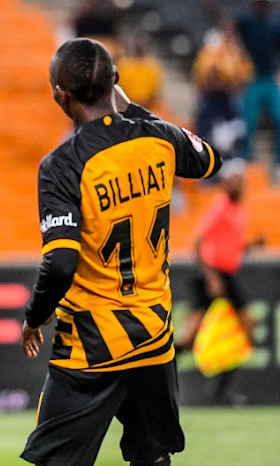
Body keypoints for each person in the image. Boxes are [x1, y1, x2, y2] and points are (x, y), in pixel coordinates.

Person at [20, 38, 222, 466]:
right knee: (152, 457)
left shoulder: (63, 164)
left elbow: (60, 263)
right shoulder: (159, 137)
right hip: (154, 333)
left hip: (92, 342)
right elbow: (210, 161)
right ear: (116, 81)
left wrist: (34, 317)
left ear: (60, 93)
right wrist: (135, 110)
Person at [175, 158, 262, 405]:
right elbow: (198, 243)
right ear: (225, 183)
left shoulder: (238, 209)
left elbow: (229, 244)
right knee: (190, 337)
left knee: (246, 331)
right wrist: (212, 277)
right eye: (235, 180)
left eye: (241, 180)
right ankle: (160, 378)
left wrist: (250, 245)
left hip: (227, 275)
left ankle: (221, 391)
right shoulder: (220, 206)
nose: (239, 184)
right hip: (212, 275)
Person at [192, 18, 253, 159]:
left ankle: (237, 161)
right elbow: (206, 77)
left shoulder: (236, 51)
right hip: (211, 98)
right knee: (207, 135)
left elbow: (243, 75)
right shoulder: (211, 48)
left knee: (237, 128)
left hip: (228, 98)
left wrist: (230, 82)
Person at [236, 0, 280, 179]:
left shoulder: (274, 25)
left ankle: (278, 162)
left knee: (279, 117)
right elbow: (228, 27)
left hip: (269, 79)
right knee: (248, 121)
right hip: (252, 79)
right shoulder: (246, 22)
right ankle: (248, 161)